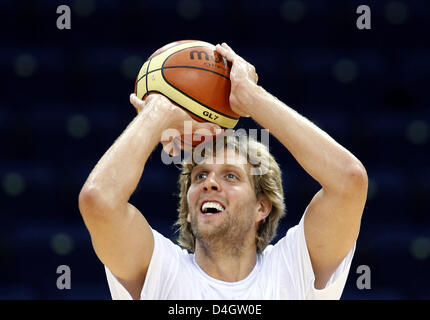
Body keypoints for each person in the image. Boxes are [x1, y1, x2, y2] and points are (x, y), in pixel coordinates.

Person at [78, 43, 368, 300]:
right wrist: (159, 112)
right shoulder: (161, 270)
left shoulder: (293, 268)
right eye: (199, 176)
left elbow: (349, 181)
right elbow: (99, 201)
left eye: (231, 175)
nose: (210, 183)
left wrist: (252, 98)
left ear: (262, 207)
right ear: (188, 210)